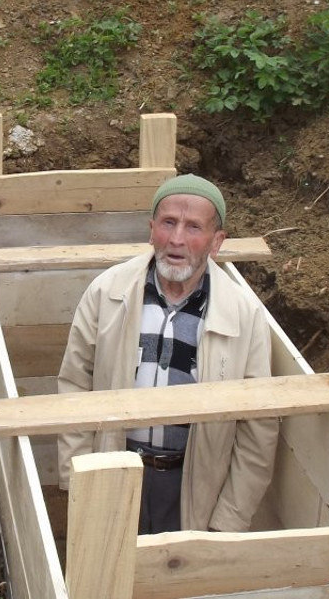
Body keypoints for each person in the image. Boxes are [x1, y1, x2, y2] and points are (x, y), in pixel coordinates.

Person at [56, 174, 278, 534]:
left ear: (216, 242)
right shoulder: (107, 293)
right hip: (113, 471)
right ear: (151, 229)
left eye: (193, 227)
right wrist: (77, 479)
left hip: (192, 485)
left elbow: (258, 430)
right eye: (168, 223)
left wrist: (229, 520)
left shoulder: (243, 314)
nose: (177, 239)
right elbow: (74, 386)